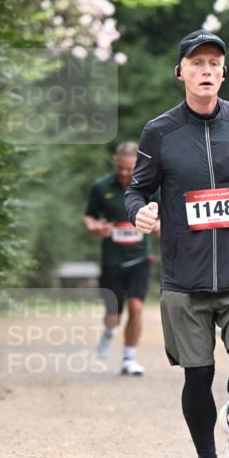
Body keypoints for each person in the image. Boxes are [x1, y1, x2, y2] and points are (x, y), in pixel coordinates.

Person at [124, 29, 229, 458]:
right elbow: (137, 188)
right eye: (197, 63)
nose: (206, 70)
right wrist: (139, 212)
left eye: (214, 63)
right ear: (181, 73)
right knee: (197, 376)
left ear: (223, 73)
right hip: (184, 279)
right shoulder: (160, 132)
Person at [84, 141, 158, 375]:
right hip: (112, 260)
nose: (125, 173)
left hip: (140, 259)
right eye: (121, 168)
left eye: (130, 169)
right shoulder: (101, 186)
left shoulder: (150, 187)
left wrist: (158, 225)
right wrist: (96, 227)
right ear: (115, 163)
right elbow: (89, 218)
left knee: (136, 307)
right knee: (113, 317)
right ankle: (108, 332)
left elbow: (164, 216)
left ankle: (128, 359)